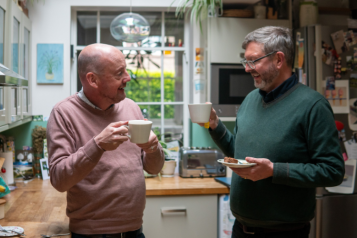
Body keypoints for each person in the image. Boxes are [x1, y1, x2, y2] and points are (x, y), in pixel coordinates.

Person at [198, 26, 345, 237]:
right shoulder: (250, 100)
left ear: (278, 59)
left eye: (254, 60)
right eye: (245, 61)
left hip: (285, 232)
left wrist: (274, 170)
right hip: (240, 228)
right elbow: (240, 155)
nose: (247, 68)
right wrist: (214, 125)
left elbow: (332, 171)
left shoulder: (313, 106)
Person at [46, 43, 165, 238]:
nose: (128, 78)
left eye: (126, 70)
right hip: (91, 234)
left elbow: (154, 168)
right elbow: (59, 179)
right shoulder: (63, 113)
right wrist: (97, 145)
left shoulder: (132, 108)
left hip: (134, 230)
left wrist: (153, 148)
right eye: (119, 73)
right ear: (92, 80)